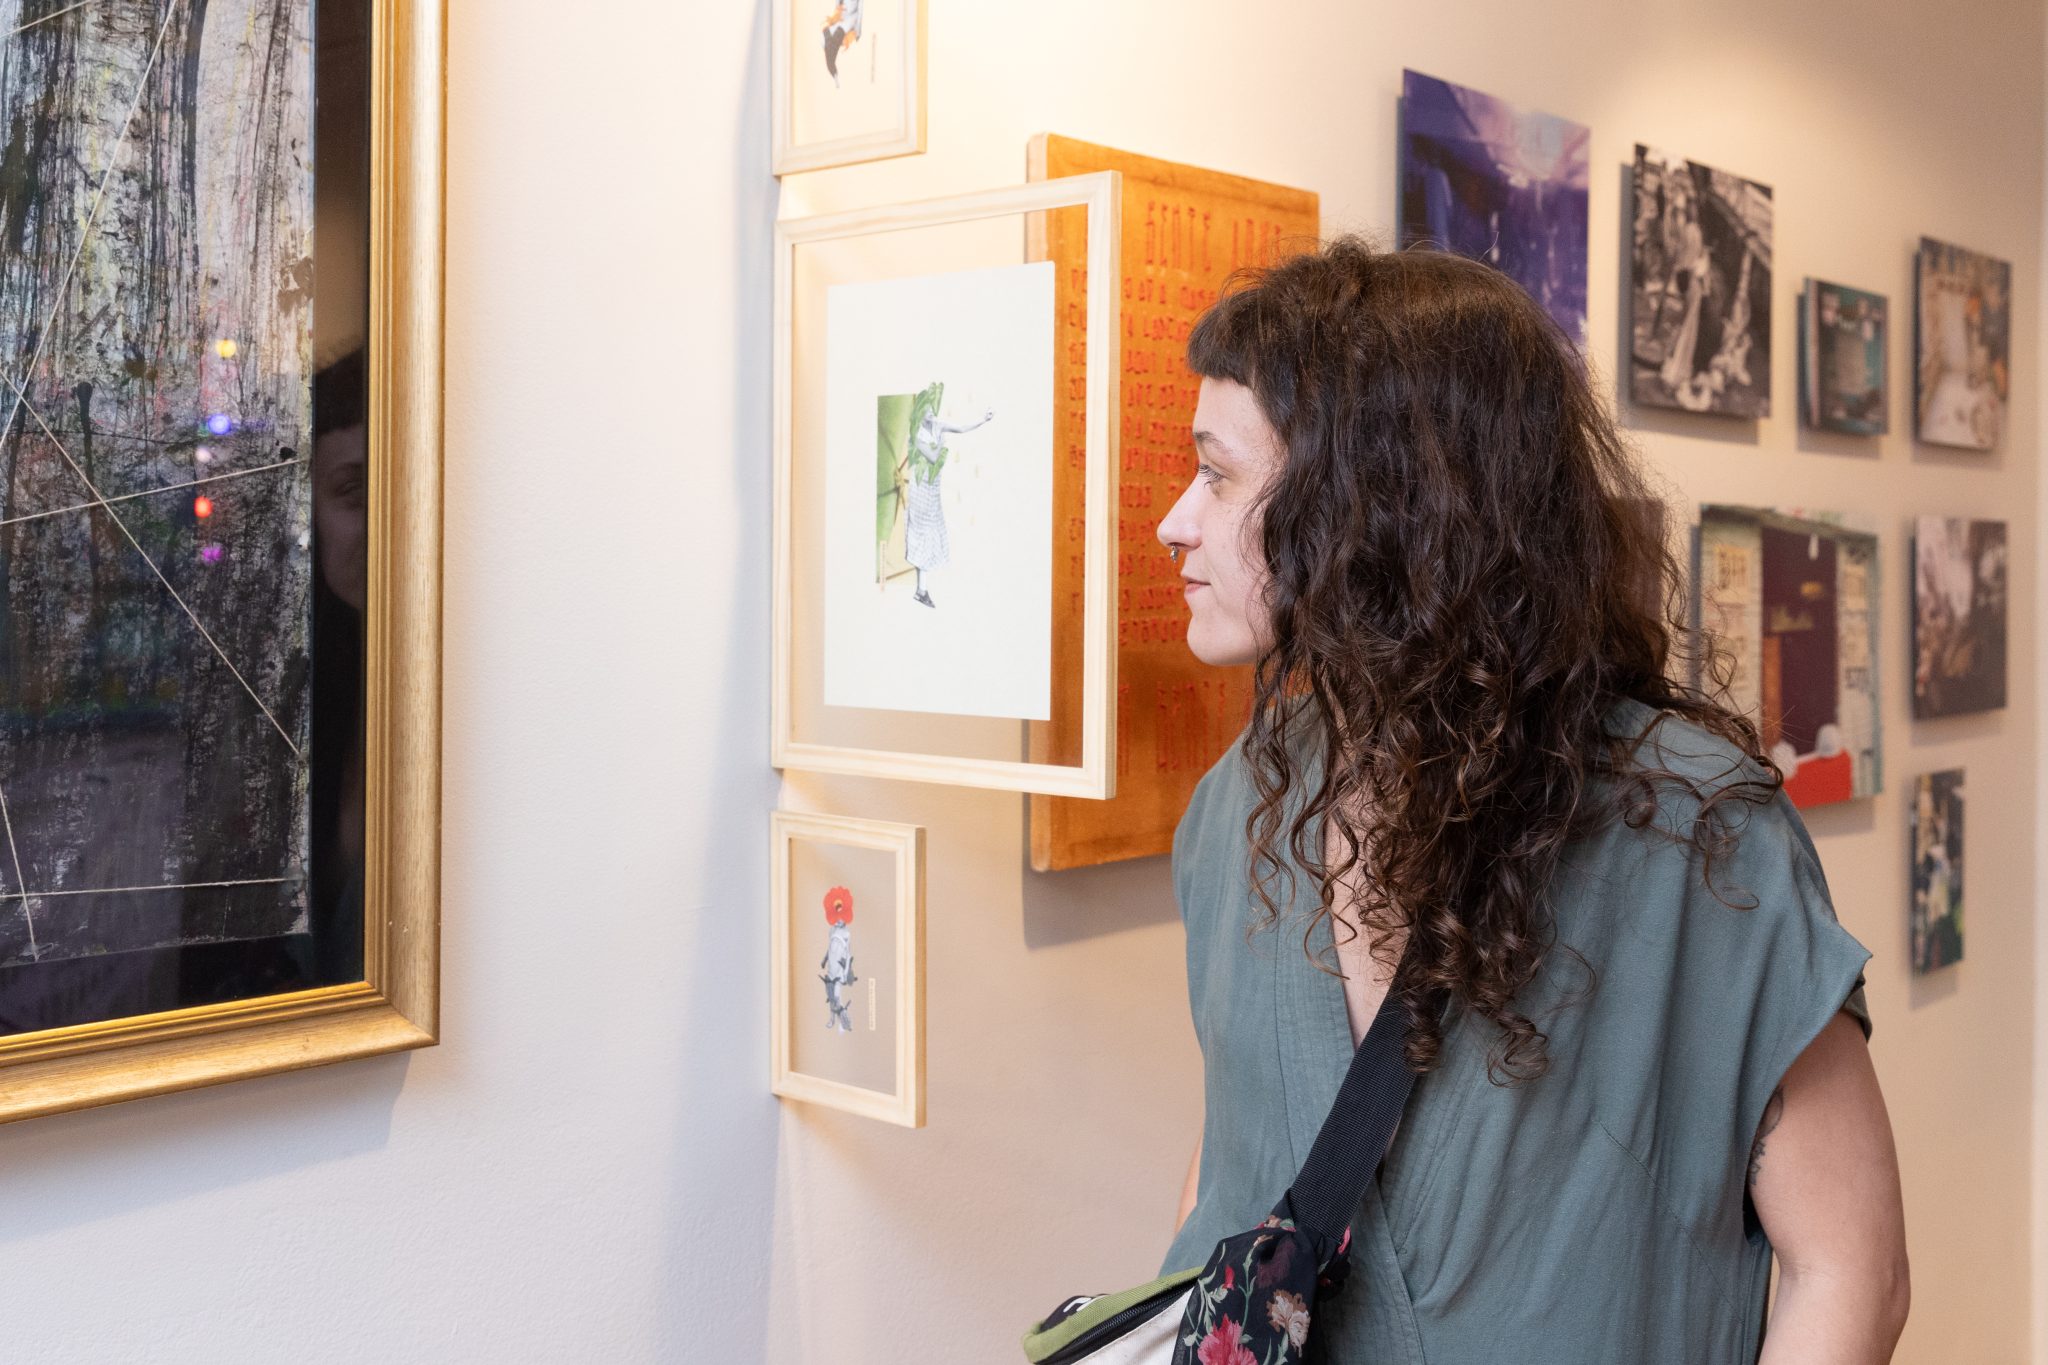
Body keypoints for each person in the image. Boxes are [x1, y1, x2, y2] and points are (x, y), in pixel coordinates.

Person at [1153, 239, 1909, 1363]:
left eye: (1216, 475)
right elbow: (1233, 1163)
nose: (1175, 521)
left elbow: (1850, 1271)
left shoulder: (1693, 837)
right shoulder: (1238, 805)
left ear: (1373, 502)